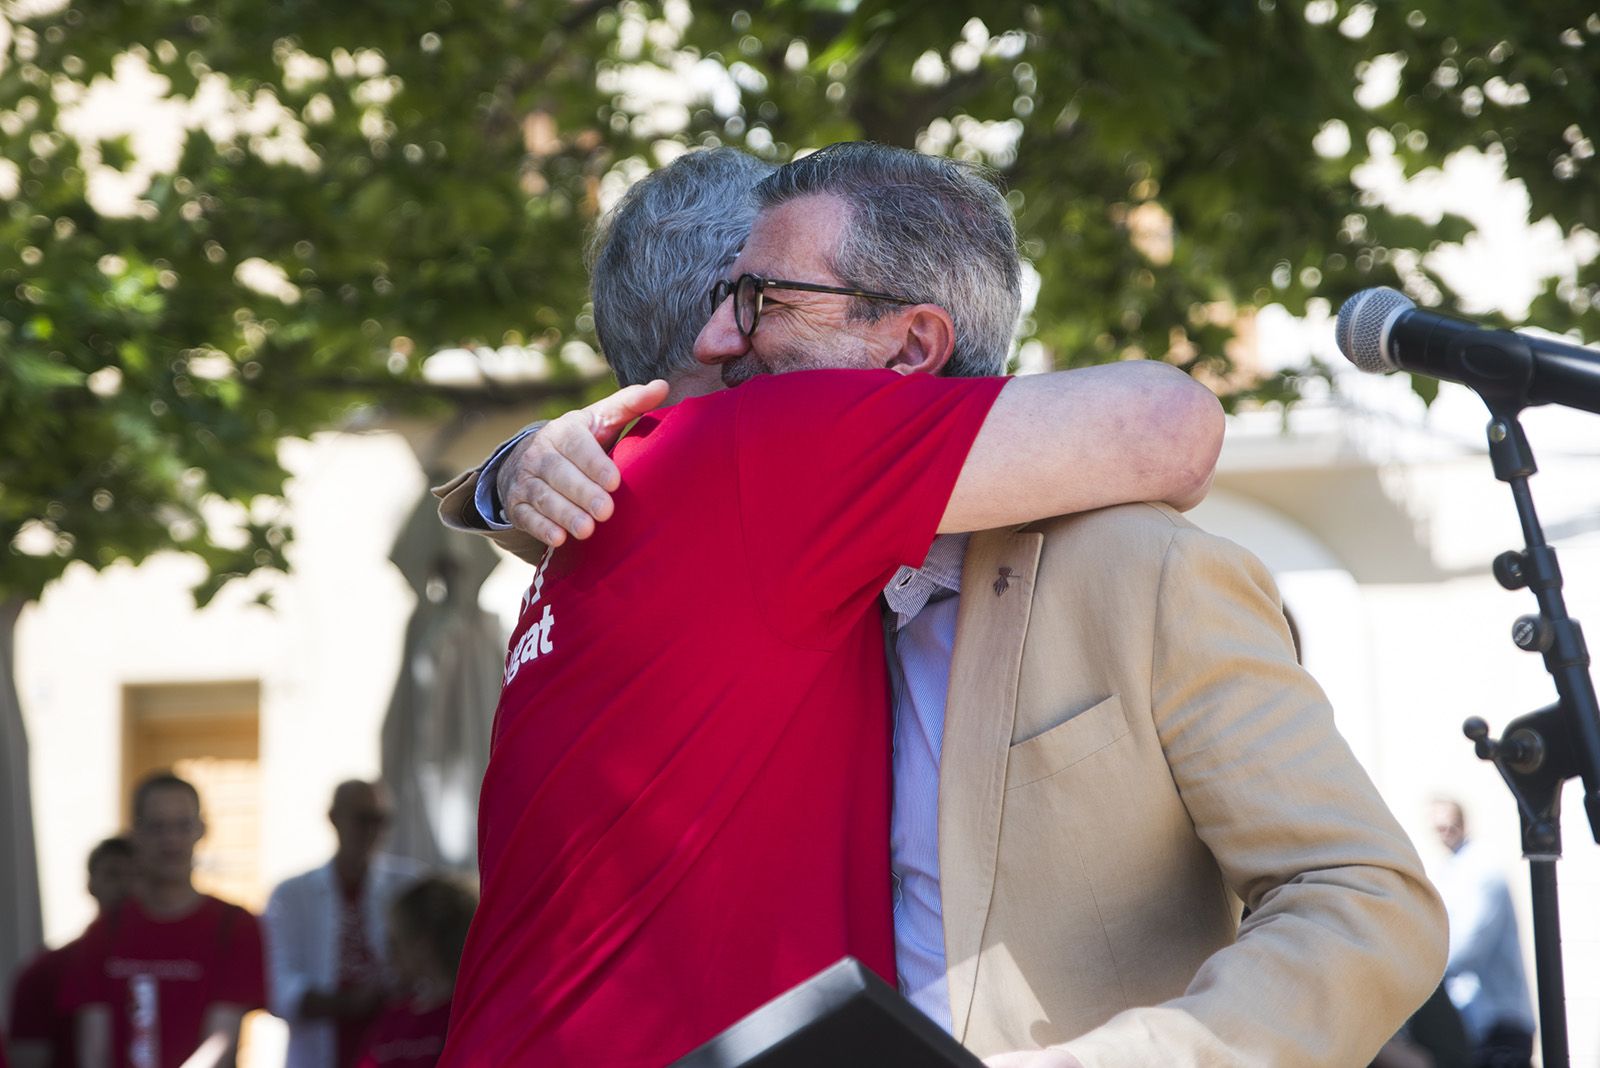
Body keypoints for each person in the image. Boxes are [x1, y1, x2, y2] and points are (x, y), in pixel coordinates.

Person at [440, 143, 1446, 1065]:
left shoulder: (1133, 573)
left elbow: (1363, 899)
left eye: (757, 300)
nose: (722, 334)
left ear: (913, 348)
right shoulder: (737, 494)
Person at [62, 772, 266, 1068]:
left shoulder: (234, 926)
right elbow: (94, 1047)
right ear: (136, 834)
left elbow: (220, 1042)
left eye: (182, 826)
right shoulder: (104, 930)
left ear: (201, 829)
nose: (170, 840)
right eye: (157, 827)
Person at [266, 780, 423, 1068]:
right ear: (334, 818)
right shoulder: (291, 895)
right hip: (320, 1051)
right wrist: (348, 1004)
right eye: (363, 819)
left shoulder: (408, 884)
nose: (373, 830)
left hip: (396, 1047)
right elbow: (279, 987)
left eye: (382, 820)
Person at [7, 836, 135, 1068]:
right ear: (90, 884)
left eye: (137, 876)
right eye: (113, 874)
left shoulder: (174, 966)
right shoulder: (43, 973)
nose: (126, 887)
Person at [1430, 799, 1535, 1068]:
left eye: (1450, 825)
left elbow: (1466, 947)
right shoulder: (1452, 870)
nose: (1445, 832)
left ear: (1462, 823)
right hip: (1477, 1021)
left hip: (1499, 1020)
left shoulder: (1482, 870)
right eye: (1439, 828)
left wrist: (1418, 973)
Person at [353, 877, 476, 1068]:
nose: (388, 953)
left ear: (422, 946)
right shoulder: (394, 1017)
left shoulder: (463, 1015)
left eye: (394, 942)